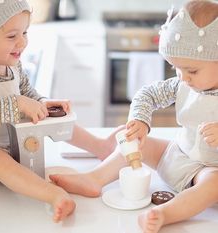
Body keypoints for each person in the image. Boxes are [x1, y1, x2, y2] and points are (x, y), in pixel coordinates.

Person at [49, 0, 218, 232]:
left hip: (207, 172)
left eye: (192, 70)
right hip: (177, 157)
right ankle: (94, 179)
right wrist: (140, 120)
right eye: (176, 68)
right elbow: (147, 94)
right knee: (135, 141)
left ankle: (165, 213)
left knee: (215, 184)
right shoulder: (182, 84)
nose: (183, 77)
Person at [0, 0, 122, 223]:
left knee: (56, 116)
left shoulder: (13, 65)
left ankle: (100, 146)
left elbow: (28, 92)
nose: (22, 42)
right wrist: (18, 103)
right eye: (12, 36)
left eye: (25, 32)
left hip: (13, 139)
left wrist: (42, 102)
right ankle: (54, 195)